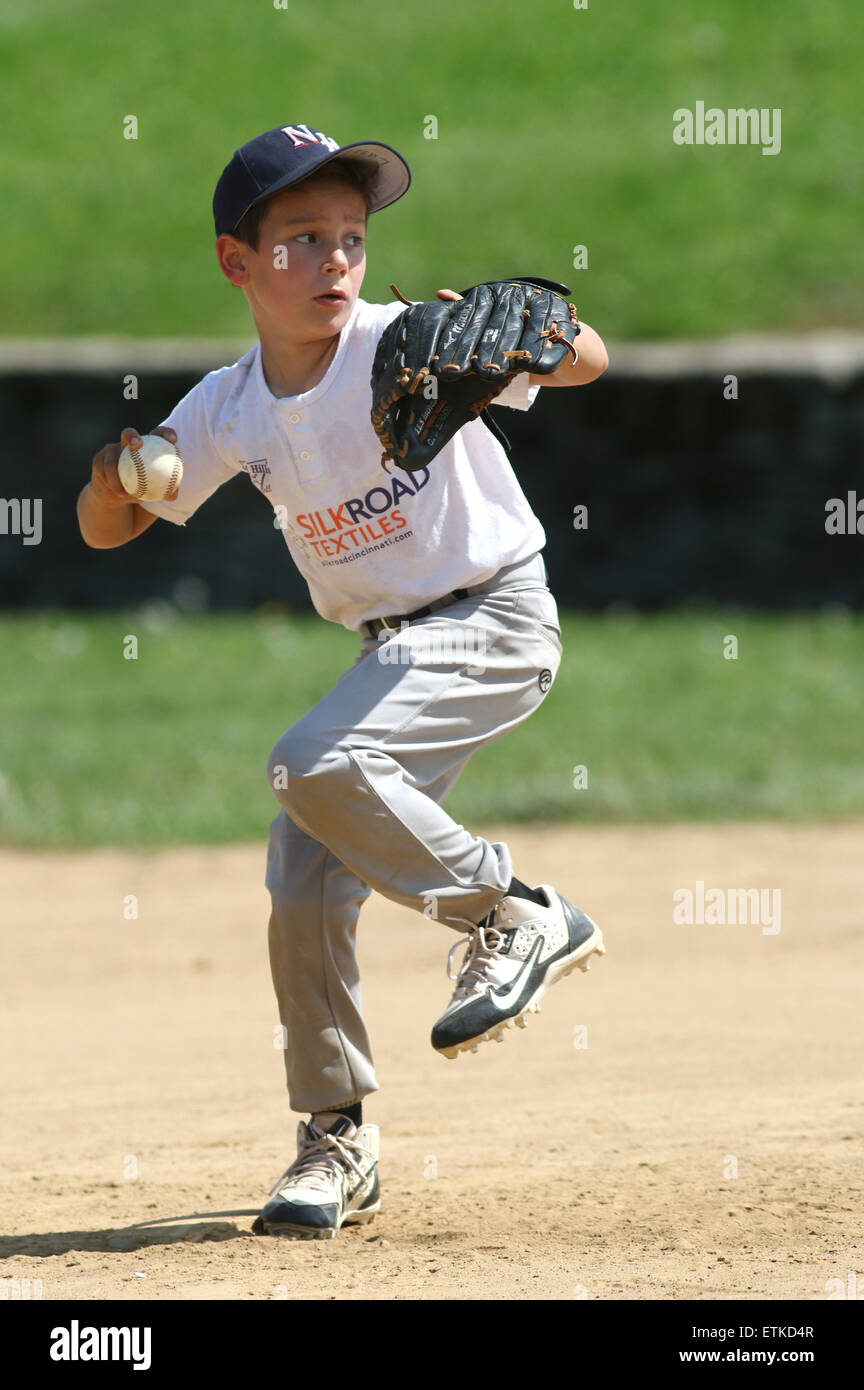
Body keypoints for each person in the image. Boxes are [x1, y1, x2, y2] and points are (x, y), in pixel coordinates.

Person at [78, 122, 610, 1241]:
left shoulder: (404, 344)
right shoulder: (231, 405)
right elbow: (107, 530)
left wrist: (540, 337)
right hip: (393, 650)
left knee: (309, 763)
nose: (335, 261)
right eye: (303, 239)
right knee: (305, 879)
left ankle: (511, 913)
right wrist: (116, 473)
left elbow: (586, 359)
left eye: (353, 238)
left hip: (495, 615)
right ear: (238, 262)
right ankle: (338, 1138)